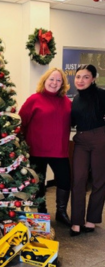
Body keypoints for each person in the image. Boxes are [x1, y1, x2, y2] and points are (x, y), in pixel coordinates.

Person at [19, 68, 72, 227]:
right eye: (51, 79)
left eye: (58, 80)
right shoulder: (34, 99)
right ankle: (41, 211)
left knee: (65, 180)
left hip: (59, 150)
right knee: (38, 182)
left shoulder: (67, 102)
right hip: (37, 150)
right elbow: (21, 123)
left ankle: (61, 212)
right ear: (45, 81)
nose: (54, 83)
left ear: (62, 83)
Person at [70, 64, 105, 236]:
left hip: (100, 138)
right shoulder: (75, 99)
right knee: (78, 180)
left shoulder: (101, 94)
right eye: (78, 76)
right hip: (81, 141)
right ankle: (76, 221)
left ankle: (91, 220)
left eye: (86, 77)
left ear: (93, 79)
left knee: (99, 180)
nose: (81, 80)